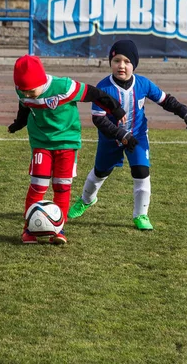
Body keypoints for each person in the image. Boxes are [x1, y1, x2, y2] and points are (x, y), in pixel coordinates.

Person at [68, 40, 187, 230]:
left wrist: (186, 113)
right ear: (110, 63)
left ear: (134, 65)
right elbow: (99, 120)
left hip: (137, 136)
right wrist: (120, 134)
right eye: (117, 60)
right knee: (100, 172)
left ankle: (141, 216)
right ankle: (86, 200)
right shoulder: (103, 88)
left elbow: (166, 100)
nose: (121, 65)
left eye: (127, 61)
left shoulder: (143, 84)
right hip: (110, 139)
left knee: (141, 172)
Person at [8, 54, 127, 245]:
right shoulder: (22, 90)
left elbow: (95, 94)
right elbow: (24, 107)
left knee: (62, 186)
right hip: (41, 143)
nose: (28, 94)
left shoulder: (64, 87)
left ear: (41, 81)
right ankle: (29, 230)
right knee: (38, 186)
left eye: (31, 90)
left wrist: (117, 109)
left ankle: (58, 229)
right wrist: (18, 124)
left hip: (67, 143)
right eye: (24, 91)